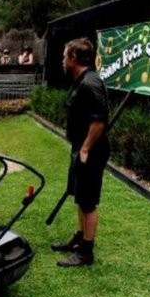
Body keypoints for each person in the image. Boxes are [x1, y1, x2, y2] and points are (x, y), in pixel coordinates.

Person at [51, 38, 110, 267]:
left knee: (88, 202)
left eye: (65, 56)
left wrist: (85, 149)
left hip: (91, 150)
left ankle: (86, 252)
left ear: (73, 58)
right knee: (79, 195)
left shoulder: (90, 83)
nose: (62, 60)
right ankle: (80, 237)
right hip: (81, 147)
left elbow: (99, 121)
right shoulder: (81, 80)